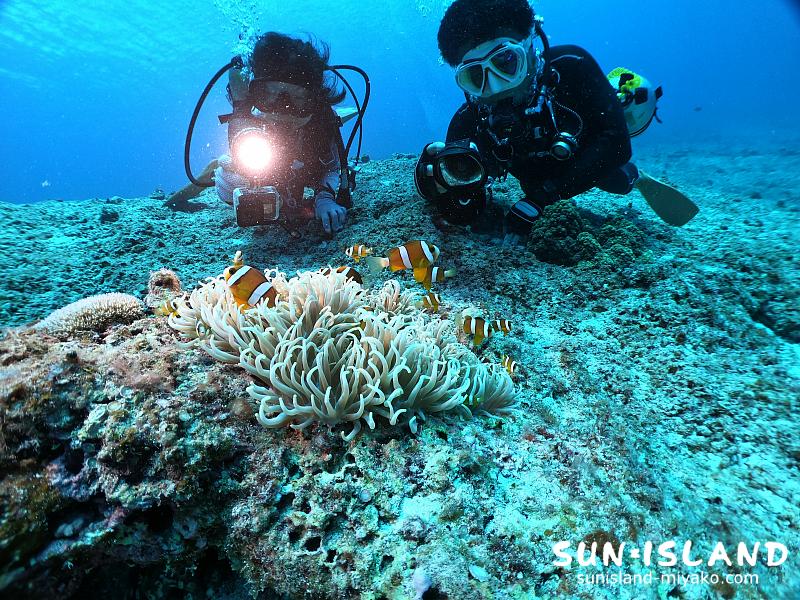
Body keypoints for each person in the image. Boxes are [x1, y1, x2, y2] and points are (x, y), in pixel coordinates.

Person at [415, 0, 697, 246]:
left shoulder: (572, 66)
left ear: (529, 45)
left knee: (616, 179)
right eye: (476, 77)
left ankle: (637, 178)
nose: (496, 87)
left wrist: (543, 197)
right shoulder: (469, 121)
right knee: (525, 182)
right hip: (533, 176)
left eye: (505, 62)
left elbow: (616, 144)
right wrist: (438, 185)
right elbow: (466, 210)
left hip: (581, 157)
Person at [167, 32, 349, 235]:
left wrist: (324, 198)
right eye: (270, 95)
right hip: (263, 164)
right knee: (230, 185)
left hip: (309, 167)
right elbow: (233, 183)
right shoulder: (248, 116)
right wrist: (238, 172)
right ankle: (217, 165)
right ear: (255, 94)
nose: (283, 109)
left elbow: (334, 167)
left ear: (314, 100)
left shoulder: (322, 121)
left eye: (298, 98)